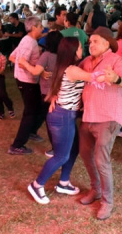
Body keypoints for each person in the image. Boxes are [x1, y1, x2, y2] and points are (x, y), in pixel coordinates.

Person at [27, 37, 99, 205]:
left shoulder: (63, 66)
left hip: (63, 115)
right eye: (81, 47)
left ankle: (63, 182)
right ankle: (37, 185)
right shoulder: (73, 69)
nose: (84, 49)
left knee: (73, 150)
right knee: (61, 155)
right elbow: (94, 77)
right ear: (74, 51)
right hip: (63, 116)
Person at [78, 27, 122, 220]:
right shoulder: (87, 61)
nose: (90, 45)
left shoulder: (115, 60)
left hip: (108, 117)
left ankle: (107, 202)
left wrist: (116, 78)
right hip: (88, 116)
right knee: (86, 155)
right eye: (90, 42)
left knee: (101, 160)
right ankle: (96, 189)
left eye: (95, 41)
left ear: (107, 43)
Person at [18, 31, 63, 156]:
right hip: (58, 92)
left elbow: (36, 71)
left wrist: (24, 62)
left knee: (50, 121)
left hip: (47, 93)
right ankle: (34, 132)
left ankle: (56, 148)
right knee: (48, 116)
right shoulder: (62, 55)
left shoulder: (47, 55)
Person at [8, 16, 44, 155]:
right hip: (27, 81)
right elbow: (21, 60)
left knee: (37, 108)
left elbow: (13, 57)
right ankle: (17, 145)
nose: (42, 28)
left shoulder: (26, 39)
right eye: (40, 26)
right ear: (34, 27)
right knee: (30, 113)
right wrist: (35, 70)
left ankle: (31, 131)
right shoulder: (30, 43)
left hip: (24, 80)